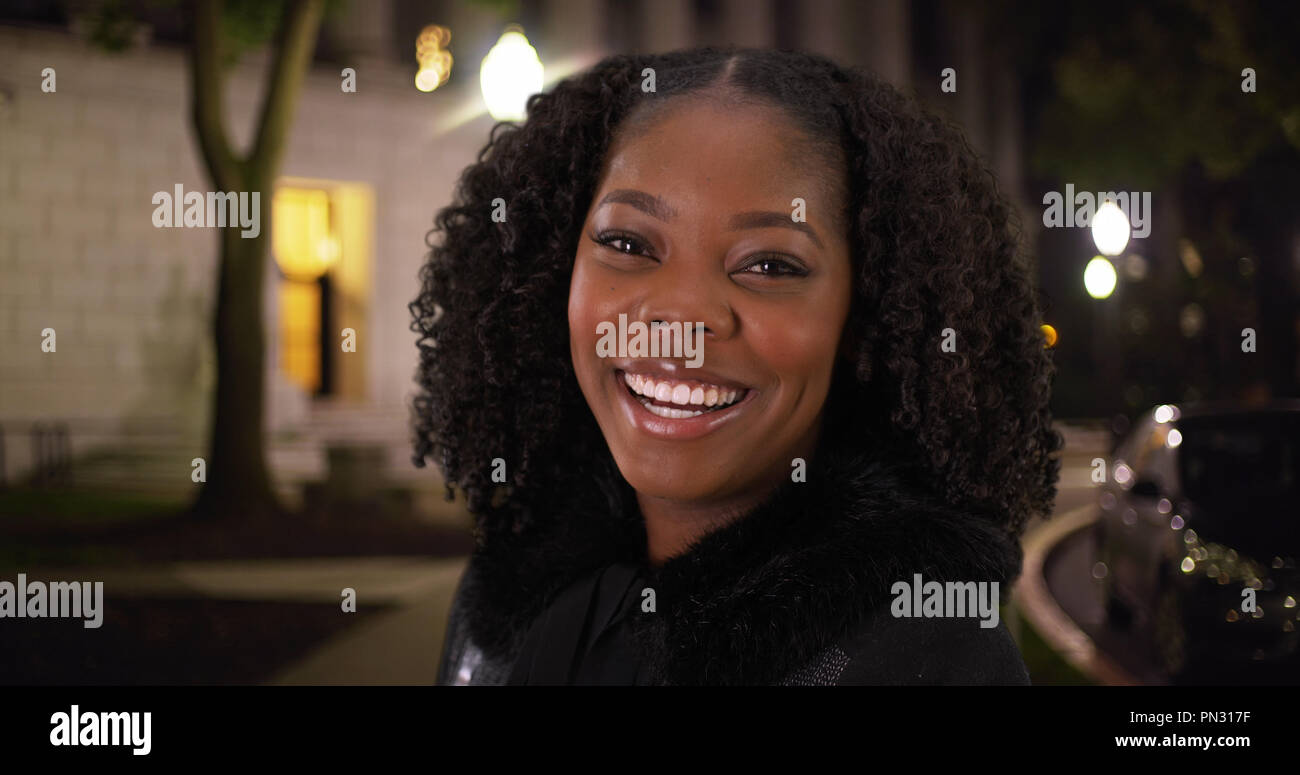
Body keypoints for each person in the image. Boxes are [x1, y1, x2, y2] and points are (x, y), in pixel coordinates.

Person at [411, 47, 1062, 685]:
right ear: (555, 271)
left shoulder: (931, 657)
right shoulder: (500, 605)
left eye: (770, 264)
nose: (683, 319)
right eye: (628, 242)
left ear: (863, 319)